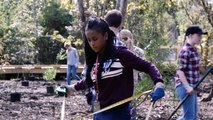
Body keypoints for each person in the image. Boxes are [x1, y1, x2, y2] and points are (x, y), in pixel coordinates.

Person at [65, 17, 165, 120]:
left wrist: (159, 84)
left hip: (118, 114)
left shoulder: (120, 53)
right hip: (99, 111)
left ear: (106, 35)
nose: (92, 44)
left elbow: (147, 66)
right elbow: (91, 80)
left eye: (95, 39)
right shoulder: (96, 58)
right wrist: (71, 88)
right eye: (89, 40)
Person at [175, 26, 207, 120]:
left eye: (201, 35)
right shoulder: (185, 51)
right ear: (190, 36)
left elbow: (195, 68)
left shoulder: (194, 50)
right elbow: (180, 71)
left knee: (192, 117)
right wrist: (187, 87)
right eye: (198, 35)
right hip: (184, 86)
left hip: (192, 86)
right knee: (189, 117)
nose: (200, 37)